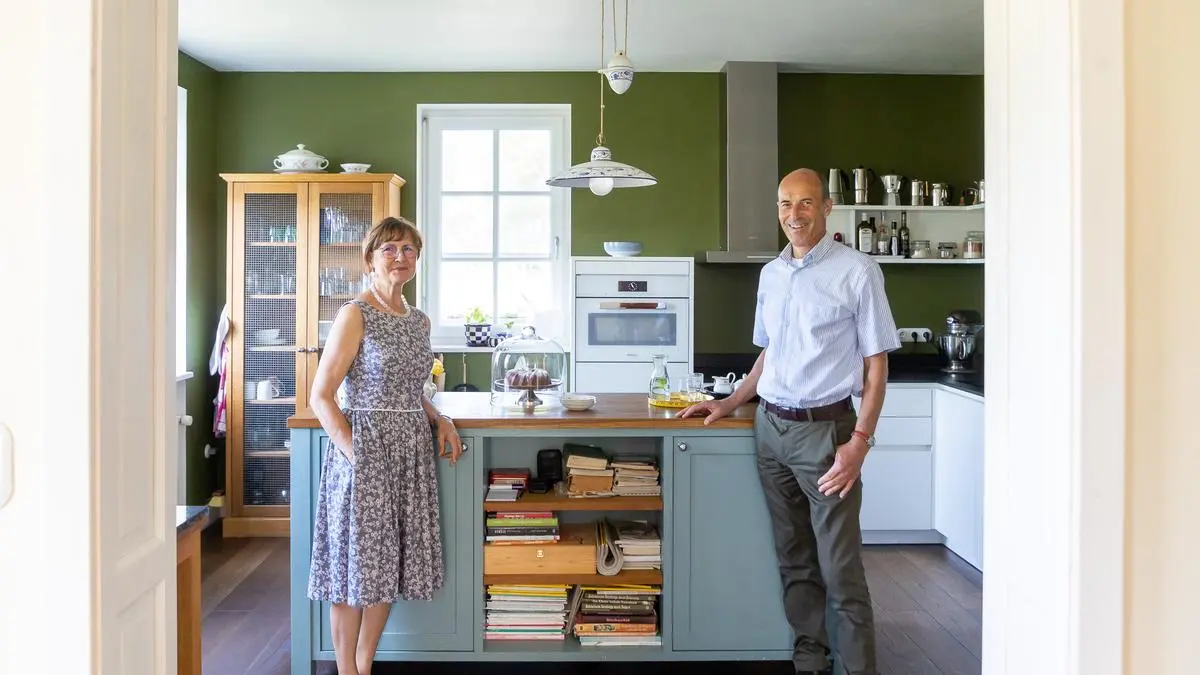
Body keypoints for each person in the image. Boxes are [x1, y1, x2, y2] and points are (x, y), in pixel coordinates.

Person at [678, 168, 899, 675]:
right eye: (784, 203)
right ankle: (810, 661)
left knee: (840, 569)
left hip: (825, 434)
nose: (793, 214)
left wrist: (859, 442)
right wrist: (730, 402)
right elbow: (770, 354)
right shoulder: (771, 274)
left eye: (805, 203)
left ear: (826, 208)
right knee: (795, 560)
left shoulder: (857, 271)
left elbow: (877, 365)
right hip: (770, 431)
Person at [306, 216, 464, 675]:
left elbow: (410, 388)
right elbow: (321, 395)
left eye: (409, 249)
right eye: (389, 249)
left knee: (385, 568)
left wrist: (440, 418)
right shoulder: (355, 313)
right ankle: (345, 670)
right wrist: (358, 455)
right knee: (354, 569)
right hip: (365, 451)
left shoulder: (419, 321)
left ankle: (364, 664)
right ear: (370, 260)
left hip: (410, 452)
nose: (400, 257)